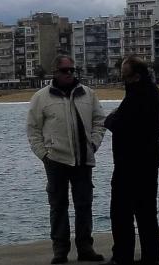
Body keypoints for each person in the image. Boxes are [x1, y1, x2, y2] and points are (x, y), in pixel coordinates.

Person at [27, 54, 107, 264]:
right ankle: (60, 251)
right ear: (55, 72)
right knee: (58, 206)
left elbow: (100, 121)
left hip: (83, 159)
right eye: (65, 70)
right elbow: (33, 129)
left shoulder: (88, 94)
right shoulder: (41, 98)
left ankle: (85, 248)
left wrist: (93, 144)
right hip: (55, 160)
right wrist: (44, 154)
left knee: (84, 205)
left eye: (72, 69)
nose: (69, 73)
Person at [104, 56, 159, 265]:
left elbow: (121, 124)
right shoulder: (153, 93)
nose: (123, 80)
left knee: (121, 212)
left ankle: (123, 255)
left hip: (129, 163)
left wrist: (110, 120)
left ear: (135, 76)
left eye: (125, 76)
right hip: (149, 162)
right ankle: (151, 256)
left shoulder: (137, 96)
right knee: (146, 213)